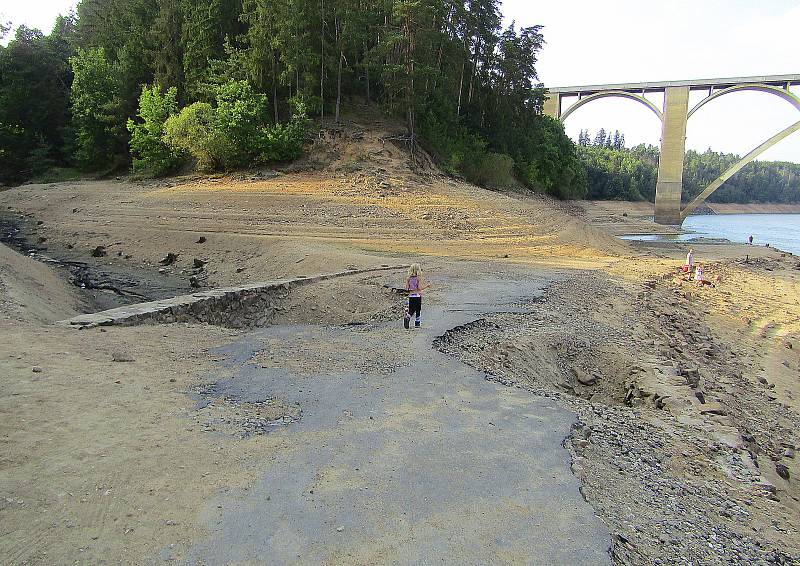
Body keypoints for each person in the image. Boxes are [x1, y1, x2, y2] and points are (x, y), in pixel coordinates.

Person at [405, 263, 429, 328]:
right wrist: (427, 286)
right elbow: (420, 288)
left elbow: (406, 288)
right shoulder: (418, 278)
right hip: (417, 296)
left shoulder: (408, 278)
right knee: (418, 309)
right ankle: (417, 323)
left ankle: (408, 317)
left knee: (411, 310)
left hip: (411, 296)